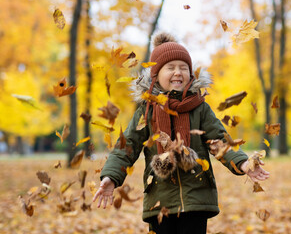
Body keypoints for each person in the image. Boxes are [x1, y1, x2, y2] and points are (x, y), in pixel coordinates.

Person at [93, 32, 270, 234]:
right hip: (160, 198)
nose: (178, 72)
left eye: (183, 68)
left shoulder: (200, 108)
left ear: (190, 74)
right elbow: (127, 147)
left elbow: (218, 141)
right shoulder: (147, 110)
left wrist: (242, 162)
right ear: (156, 75)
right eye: (170, 68)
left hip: (197, 196)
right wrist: (110, 177)